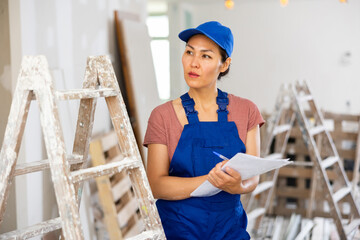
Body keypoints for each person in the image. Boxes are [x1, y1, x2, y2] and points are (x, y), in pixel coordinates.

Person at [143, 21, 265, 240]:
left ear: (224, 64)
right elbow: (156, 185)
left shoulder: (247, 111)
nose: (194, 63)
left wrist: (238, 185)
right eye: (189, 52)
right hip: (177, 230)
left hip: (230, 230)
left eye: (205, 56)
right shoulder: (162, 116)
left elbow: (252, 177)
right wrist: (211, 180)